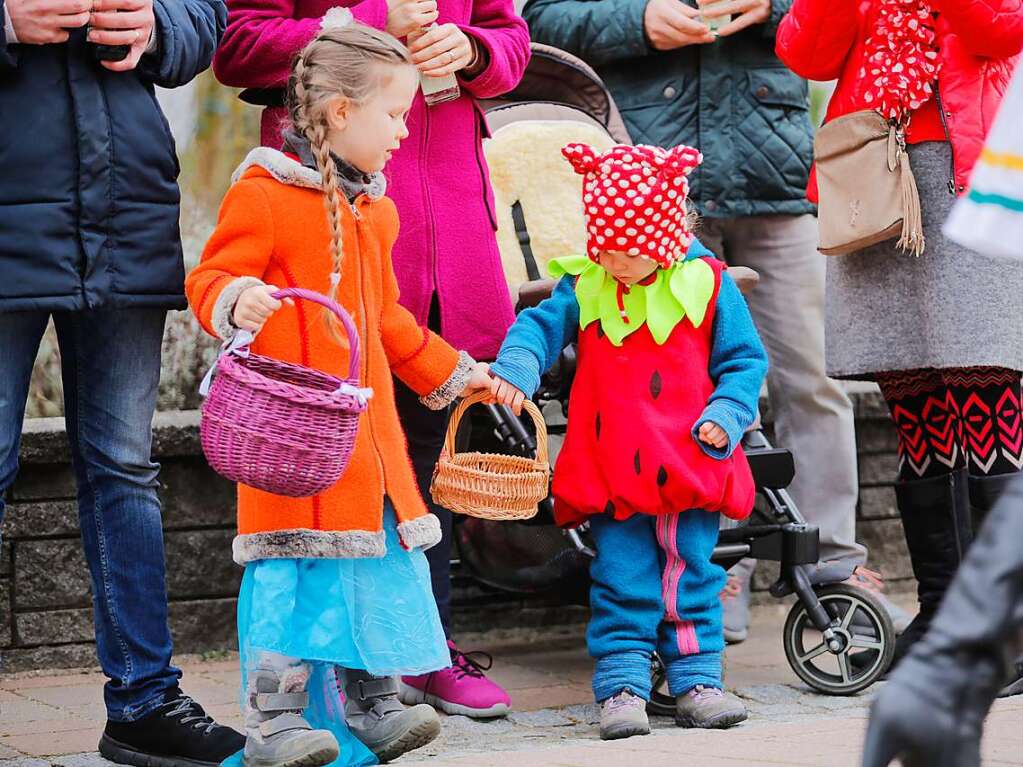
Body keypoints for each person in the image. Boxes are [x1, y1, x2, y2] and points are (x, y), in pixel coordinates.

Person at [186, 19, 496, 766]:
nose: (403, 131)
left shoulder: (375, 211)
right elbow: (209, 278)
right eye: (395, 115)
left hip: (371, 450)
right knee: (292, 575)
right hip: (296, 447)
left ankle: (374, 705)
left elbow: (387, 318)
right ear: (340, 113)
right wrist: (239, 300)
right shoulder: (262, 194)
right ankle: (277, 721)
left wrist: (456, 373)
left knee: (377, 574)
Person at [522, 0, 879, 645]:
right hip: (646, 196)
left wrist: (771, 6)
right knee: (677, 383)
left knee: (815, 379)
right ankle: (719, 562)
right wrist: (639, 22)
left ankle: (832, 567)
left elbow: (844, 14)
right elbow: (540, 19)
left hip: (776, 177)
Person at [0, 1, 245, 765]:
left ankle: (144, 702)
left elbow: (209, 16)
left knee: (124, 468)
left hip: (125, 212)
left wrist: (156, 26)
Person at [488, 142, 768, 739]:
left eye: (628, 252)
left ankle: (697, 680)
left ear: (666, 237)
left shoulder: (711, 286)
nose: (615, 261)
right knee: (621, 575)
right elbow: (538, 326)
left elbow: (745, 360)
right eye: (605, 247)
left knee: (690, 573)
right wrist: (516, 365)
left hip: (689, 460)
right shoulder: (587, 284)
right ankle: (622, 687)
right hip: (611, 464)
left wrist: (730, 408)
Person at [777, 0, 1023, 674]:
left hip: (971, 170)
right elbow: (807, 54)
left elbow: (1000, 27)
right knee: (912, 393)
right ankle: (942, 611)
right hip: (872, 175)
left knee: (983, 380)